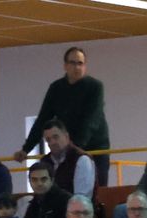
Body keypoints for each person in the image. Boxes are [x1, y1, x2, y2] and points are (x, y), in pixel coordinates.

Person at [18, 45, 110, 181]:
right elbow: (43, 119)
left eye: (80, 63)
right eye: (73, 63)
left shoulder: (95, 87)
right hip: (67, 149)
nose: (77, 67)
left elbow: (91, 121)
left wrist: (73, 149)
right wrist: (26, 149)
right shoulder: (56, 88)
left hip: (95, 148)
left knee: (98, 188)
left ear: (85, 66)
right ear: (65, 66)